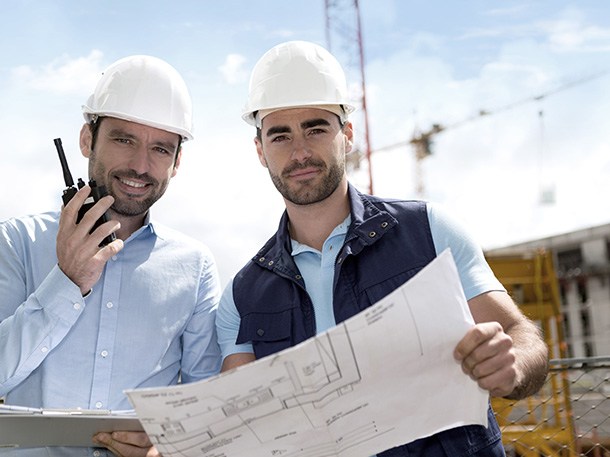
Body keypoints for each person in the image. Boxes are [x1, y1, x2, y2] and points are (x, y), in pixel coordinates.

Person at [216, 40, 549, 456]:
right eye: (280, 136)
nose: (300, 151)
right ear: (260, 151)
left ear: (348, 135)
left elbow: (520, 335)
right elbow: (242, 424)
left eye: (316, 128)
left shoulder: (429, 230)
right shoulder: (241, 295)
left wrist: (512, 365)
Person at [0, 55, 221, 456]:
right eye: (124, 140)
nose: (140, 165)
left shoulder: (196, 267)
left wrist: (168, 450)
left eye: (160, 149)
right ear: (87, 139)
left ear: (177, 163)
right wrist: (67, 282)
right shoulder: (15, 242)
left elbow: (205, 409)